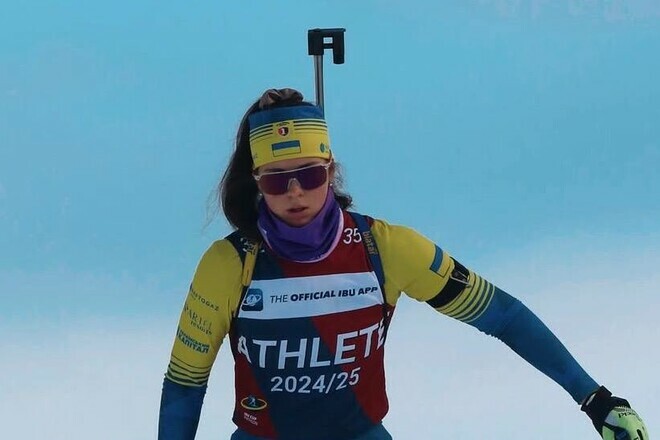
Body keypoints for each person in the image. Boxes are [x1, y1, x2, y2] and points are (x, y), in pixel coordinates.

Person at [158, 88, 649, 440]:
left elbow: (503, 316)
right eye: (275, 179)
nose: (295, 192)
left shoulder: (385, 249)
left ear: (330, 170)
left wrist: (595, 400)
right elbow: (185, 382)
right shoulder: (229, 264)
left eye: (309, 174)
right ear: (256, 181)